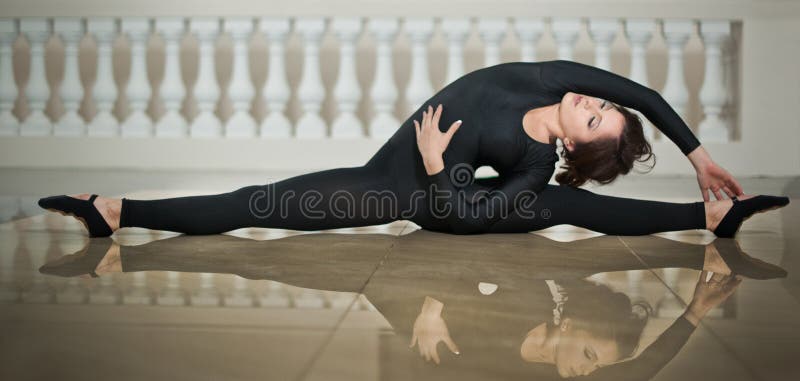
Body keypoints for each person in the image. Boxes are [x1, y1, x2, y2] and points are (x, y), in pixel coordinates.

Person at [37, 60, 789, 237]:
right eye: (602, 106)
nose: (594, 102)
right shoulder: (549, 81)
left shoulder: (532, 167)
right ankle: (111, 210)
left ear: (577, 142)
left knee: (256, 209)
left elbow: (458, 214)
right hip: (398, 170)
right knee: (250, 199)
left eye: (595, 119)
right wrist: (696, 152)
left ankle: (112, 210)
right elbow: (645, 95)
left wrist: (433, 165)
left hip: (407, 193)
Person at [38, 230, 758, 379]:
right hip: (410, 264)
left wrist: (426, 308)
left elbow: (634, 371)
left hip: (383, 283)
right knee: (250, 250)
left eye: (594, 369)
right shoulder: (545, 291)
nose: (586, 374)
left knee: (259, 261)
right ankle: (127, 246)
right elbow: (468, 258)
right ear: (581, 327)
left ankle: (126, 253)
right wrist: (692, 309)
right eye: (593, 356)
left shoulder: (521, 373)